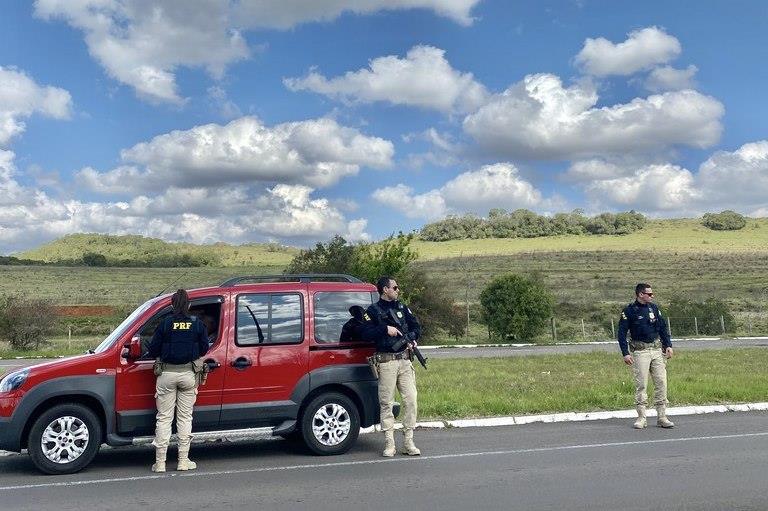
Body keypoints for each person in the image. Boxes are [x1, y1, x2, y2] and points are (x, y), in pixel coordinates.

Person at [147, 289, 210, 472]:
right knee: (184, 417)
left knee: (164, 418)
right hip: (188, 375)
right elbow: (204, 349)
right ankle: (183, 460)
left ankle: (160, 463)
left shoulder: (166, 324)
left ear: (172, 305)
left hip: (166, 375)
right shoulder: (197, 324)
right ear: (188, 305)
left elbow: (153, 349)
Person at [360, 276, 422, 457]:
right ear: (385, 290)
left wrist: (412, 338)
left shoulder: (402, 307)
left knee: (411, 399)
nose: (397, 290)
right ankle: (389, 443)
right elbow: (364, 333)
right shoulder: (372, 311)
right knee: (386, 402)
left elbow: (416, 327)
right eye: (395, 287)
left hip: (404, 360)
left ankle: (408, 441)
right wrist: (384, 329)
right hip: (386, 361)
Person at [618, 283, 675, 429]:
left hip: (656, 350)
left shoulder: (654, 308)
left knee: (661, 382)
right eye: (649, 294)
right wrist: (625, 353)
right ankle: (642, 417)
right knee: (641, 384)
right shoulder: (629, 311)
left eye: (652, 294)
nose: (652, 296)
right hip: (640, 351)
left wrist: (668, 345)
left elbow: (662, 327)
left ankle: (662, 416)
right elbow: (621, 334)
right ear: (640, 294)